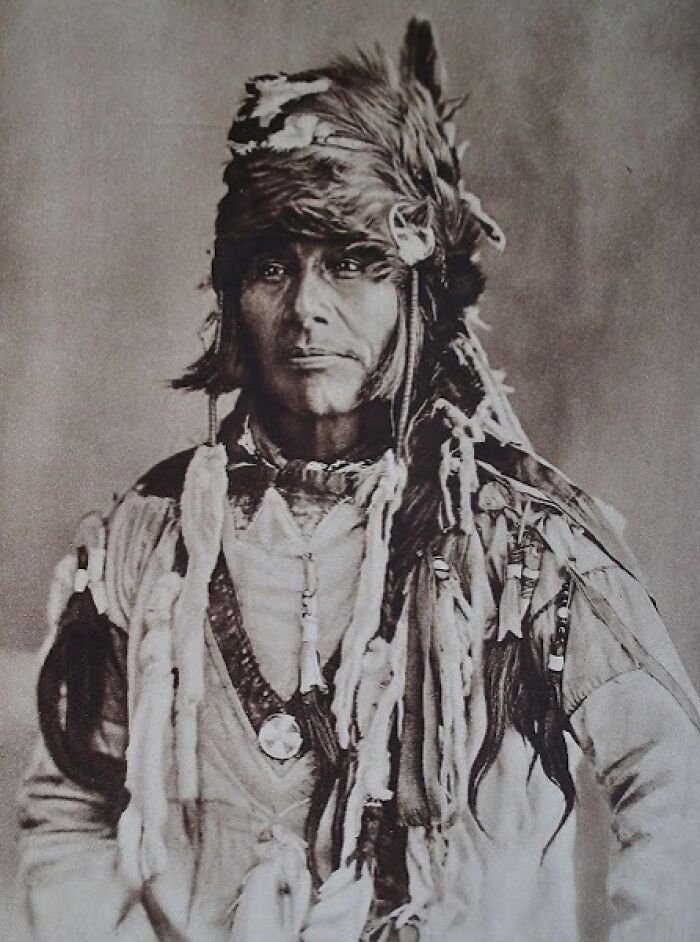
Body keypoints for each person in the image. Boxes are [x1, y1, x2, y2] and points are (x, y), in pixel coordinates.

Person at [18, 18, 700, 942]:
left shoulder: (524, 538)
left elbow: (674, 784)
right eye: (272, 267)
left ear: (418, 294)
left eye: (353, 263)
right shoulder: (151, 537)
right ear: (231, 299)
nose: (307, 310)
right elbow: (69, 809)